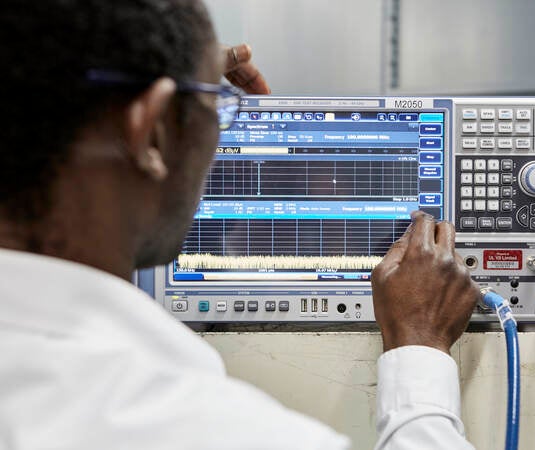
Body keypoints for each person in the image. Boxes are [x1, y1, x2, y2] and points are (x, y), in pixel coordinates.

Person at [0, 1, 479, 449]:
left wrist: (188, 76)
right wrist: (419, 348)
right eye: (220, 106)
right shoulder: (211, 431)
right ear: (154, 129)